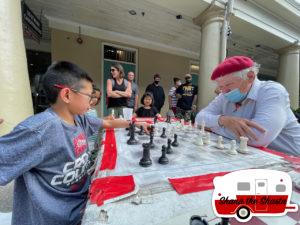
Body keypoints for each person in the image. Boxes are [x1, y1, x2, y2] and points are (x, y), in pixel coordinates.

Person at [0, 61, 149, 225]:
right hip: (54, 219)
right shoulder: (39, 131)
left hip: (81, 205)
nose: (92, 101)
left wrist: (134, 123)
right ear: (67, 95)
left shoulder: (80, 119)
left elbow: (107, 123)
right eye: (90, 96)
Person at [195, 55, 300, 156]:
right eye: (221, 86)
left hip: (292, 159)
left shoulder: (272, 91)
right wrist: (223, 120)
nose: (224, 91)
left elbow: (258, 138)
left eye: (228, 85)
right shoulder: (225, 94)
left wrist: (212, 127)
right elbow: (199, 118)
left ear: (250, 77)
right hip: (255, 155)